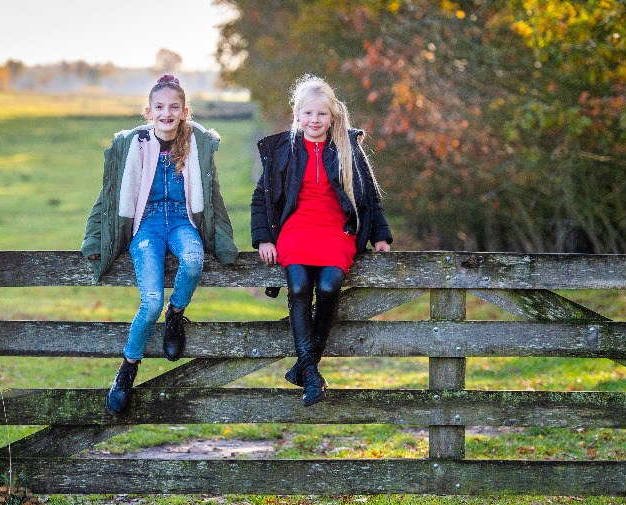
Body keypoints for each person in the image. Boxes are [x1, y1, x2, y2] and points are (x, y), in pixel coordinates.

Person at [81, 75, 238, 415]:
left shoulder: (196, 145)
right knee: (150, 302)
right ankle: (128, 368)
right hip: (148, 224)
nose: (167, 113)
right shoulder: (134, 145)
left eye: (174, 107)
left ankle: (176, 314)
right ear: (149, 111)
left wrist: (225, 241)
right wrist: (93, 239)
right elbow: (107, 197)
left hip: (182, 220)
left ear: (184, 111)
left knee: (194, 259)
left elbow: (212, 198)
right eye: (160, 107)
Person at [250, 74, 393, 407]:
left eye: (322, 114)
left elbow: (369, 196)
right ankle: (311, 372)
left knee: (329, 286)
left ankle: (306, 365)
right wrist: (263, 239)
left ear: (333, 116)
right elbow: (261, 198)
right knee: (299, 286)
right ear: (298, 115)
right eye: (308, 114)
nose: (314, 121)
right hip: (296, 228)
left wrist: (380, 237)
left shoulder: (346, 147)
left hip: (335, 229)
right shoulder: (285, 150)